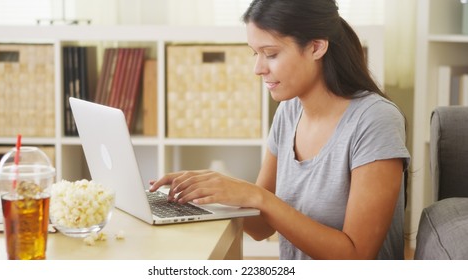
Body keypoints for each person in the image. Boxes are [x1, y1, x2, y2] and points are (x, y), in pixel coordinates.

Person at [150, 0, 410, 260]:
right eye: (255, 53)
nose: (258, 69)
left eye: (271, 54)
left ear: (316, 47)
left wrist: (258, 197)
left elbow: (356, 257)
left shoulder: (375, 121)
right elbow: (262, 227)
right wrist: (208, 193)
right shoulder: (289, 112)